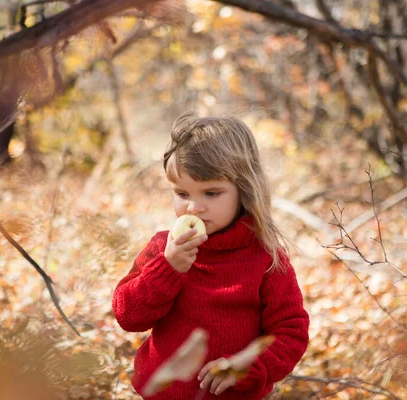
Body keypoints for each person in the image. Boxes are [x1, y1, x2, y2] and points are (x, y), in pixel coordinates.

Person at [112, 111, 310, 399]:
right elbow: (128, 316)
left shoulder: (265, 258)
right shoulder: (163, 249)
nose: (194, 208)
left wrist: (247, 368)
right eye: (182, 194)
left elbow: (290, 333)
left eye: (211, 193)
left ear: (243, 190)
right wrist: (168, 268)